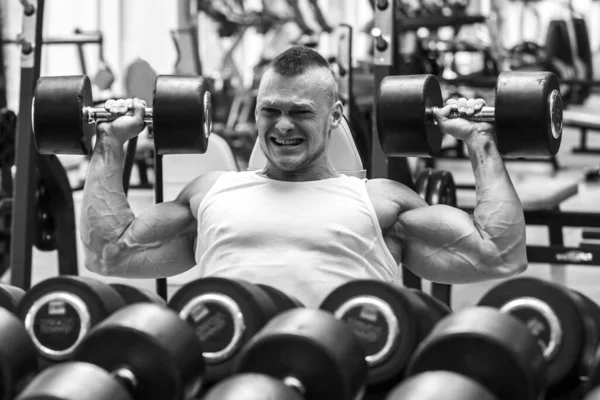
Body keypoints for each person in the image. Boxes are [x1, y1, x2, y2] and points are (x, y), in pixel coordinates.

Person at [80, 46, 527, 308]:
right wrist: (110, 144)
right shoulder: (213, 192)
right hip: (229, 367)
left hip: (340, 371)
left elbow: (499, 256)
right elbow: (108, 254)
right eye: (270, 111)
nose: (283, 126)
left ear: (334, 117)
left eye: (300, 113)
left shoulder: (379, 202)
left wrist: (480, 141)